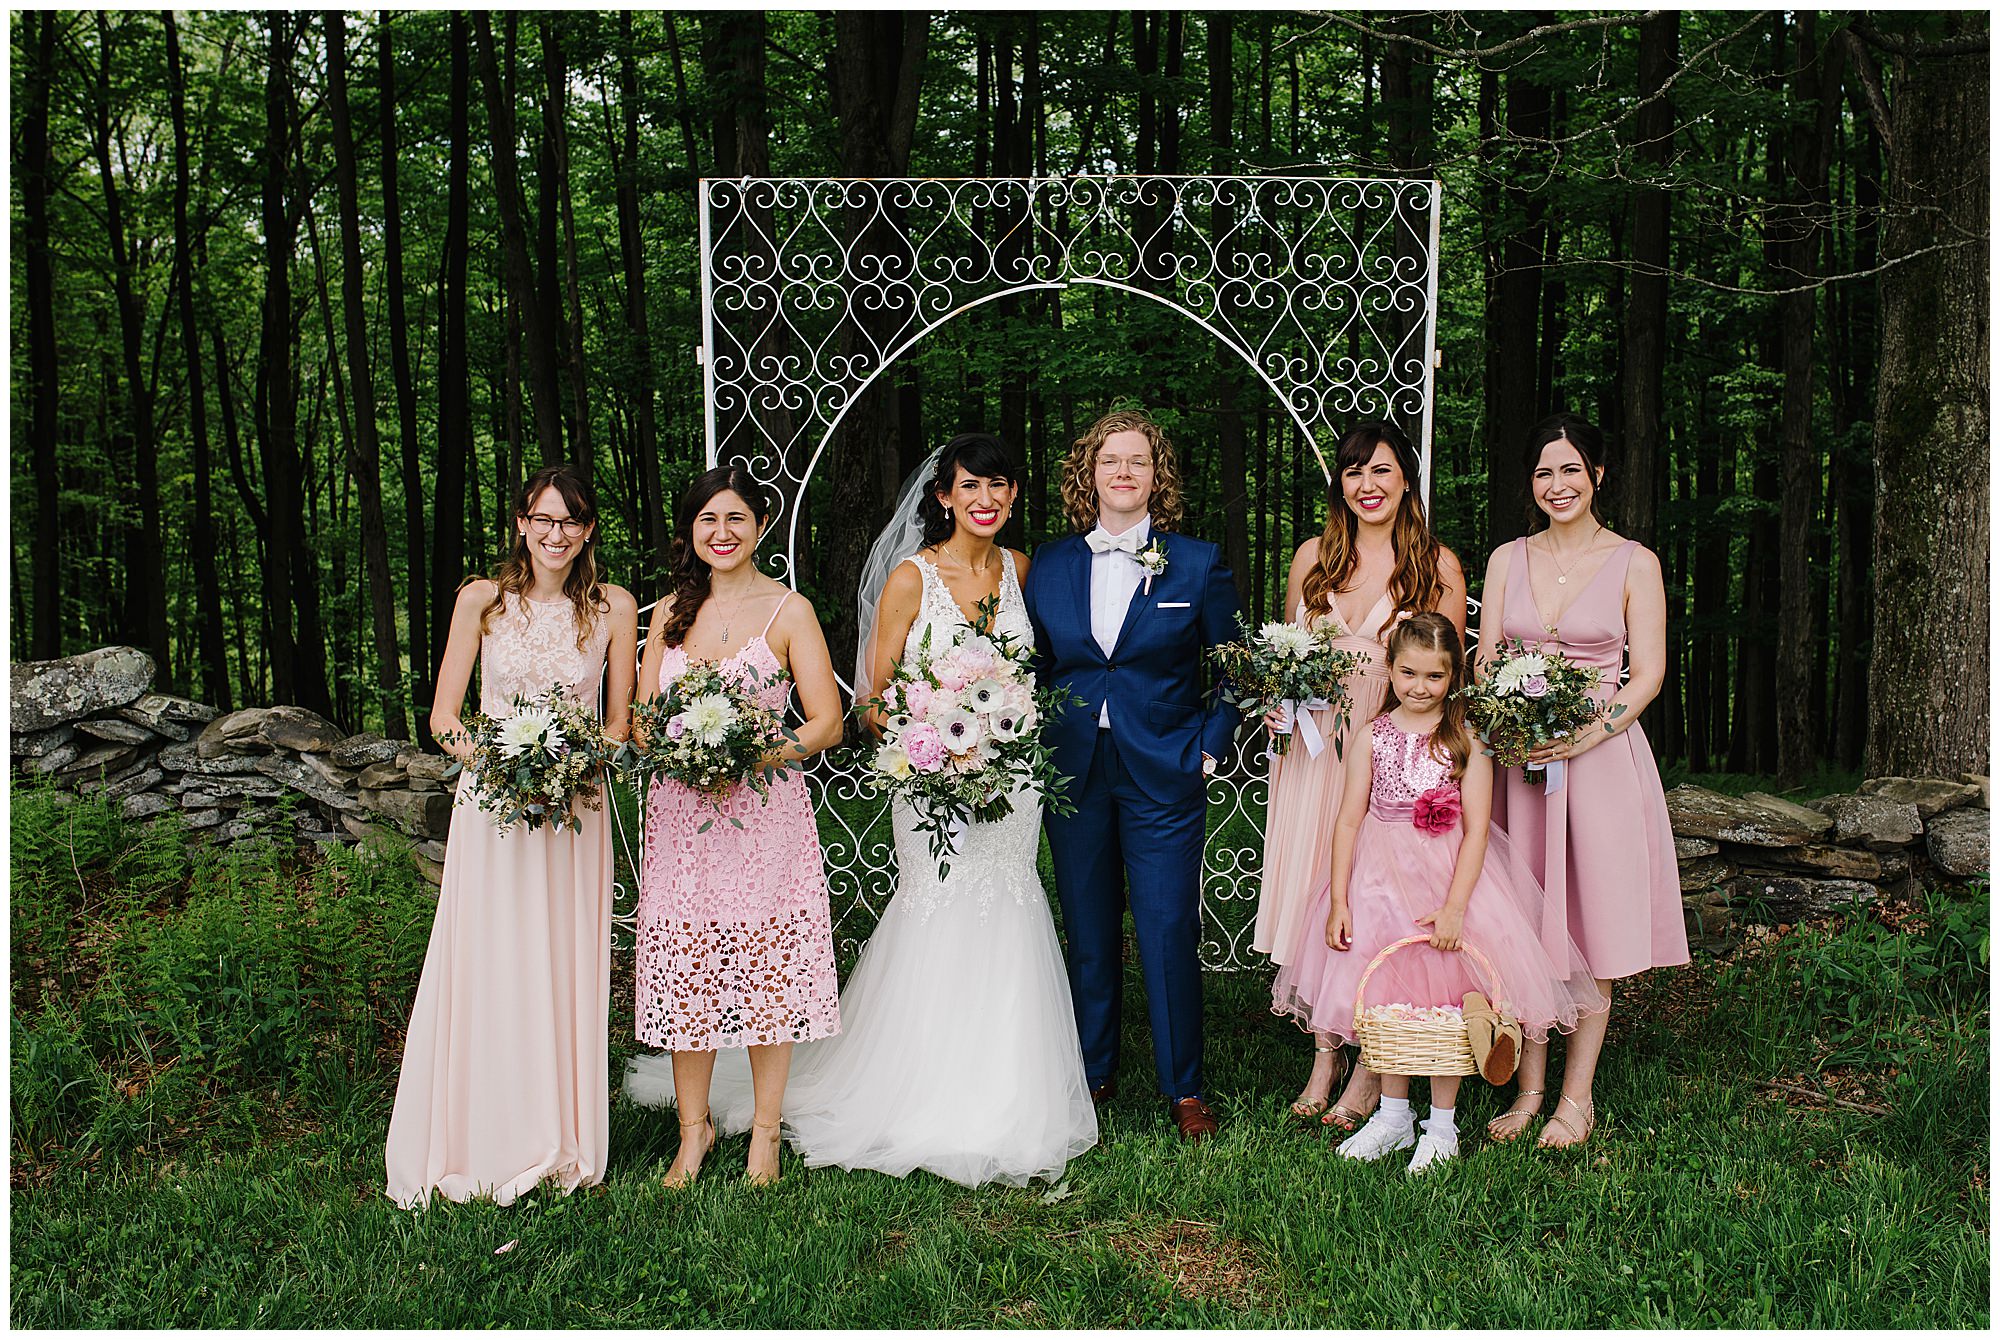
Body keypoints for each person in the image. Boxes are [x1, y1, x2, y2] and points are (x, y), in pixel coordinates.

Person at [632, 434, 1099, 1188]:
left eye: (998, 485)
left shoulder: (1022, 571)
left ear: (1013, 495)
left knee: (1011, 903)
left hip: (1006, 779)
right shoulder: (904, 581)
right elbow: (871, 701)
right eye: (968, 486)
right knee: (931, 906)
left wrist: (993, 739)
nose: (984, 498)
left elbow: (1048, 665)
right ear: (943, 496)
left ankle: (1006, 1093)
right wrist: (936, 745)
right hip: (916, 777)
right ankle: (739, 1122)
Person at [386, 463, 638, 1208]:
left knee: (559, 961)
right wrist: (504, 764)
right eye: (542, 519)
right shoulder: (482, 601)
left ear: (588, 530)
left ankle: (557, 1134)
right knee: (491, 958)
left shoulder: (614, 608)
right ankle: (477, 1134)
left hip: (573, 810)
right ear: (522, 525)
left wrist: (570, 764)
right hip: (494, 806)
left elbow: (618, 723)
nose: (556, 534)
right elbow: (444, 721)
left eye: (571, 521)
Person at [1276, 614, 1605, 1174]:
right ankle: (1394, 1114)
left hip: (1445, 885)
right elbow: (1349, 820)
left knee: (1443, 1002)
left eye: (1434, 675)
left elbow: (1477, 828)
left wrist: (1456, 906)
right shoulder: (1371, 736)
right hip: (1378, 883)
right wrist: (1339, 900)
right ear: (1392, 669)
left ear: (1452, 677)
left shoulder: (1465, 740)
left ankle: (1443, 1125)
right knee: (1386, 1000)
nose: (1419, 686)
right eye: (1408, 672)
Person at [1022, 408, 1241, 1141]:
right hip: (1075, 770)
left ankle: (1184, 1089)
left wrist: (1208, 748)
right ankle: (1093, 1070)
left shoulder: (1198, 562)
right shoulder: (1048, 564)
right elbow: (1039, 667)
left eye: (1138, 461)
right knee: (1088, 926)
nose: (1123, 472)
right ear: (1089, 472)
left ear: (1158, 475)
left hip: (1165, 767)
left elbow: (1233, 670)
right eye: (1110, 460)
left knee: (1167, 924)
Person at [627, 466, 845, 1187]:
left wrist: (753, 756)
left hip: (763, 818)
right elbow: (635, 720)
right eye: (707, 521)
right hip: (681, 818)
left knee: (766, 971)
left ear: (759, 527)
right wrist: (678, 754)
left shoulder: (790, 611)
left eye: (736, 520)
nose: (722, 534)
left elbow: (825, 722)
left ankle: (764, 1133)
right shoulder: (667, 614)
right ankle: (693, 1135)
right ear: (690, 532)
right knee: (686, 966)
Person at [1477, 412, 1688, 1149]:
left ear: (1598, 475)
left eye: (1571, 469)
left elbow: (1650, 673)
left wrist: (1586, 735)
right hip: (1520, 764)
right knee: (1526, 920)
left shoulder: (1635, 562)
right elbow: (1484, 661)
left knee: (1590, 922)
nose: (1557, 484)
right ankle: (1528, 1088)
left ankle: (1576, 1097)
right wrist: (1512, 727)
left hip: (1601, 760)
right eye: (1543, 472)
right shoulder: (1509, 558)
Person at [1258, 422, 1467, 1131]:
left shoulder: (1436, 566)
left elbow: (1448, 682)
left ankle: (1377, 1064)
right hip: (1315, 757)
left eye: (1381, 470)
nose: (1367, 486)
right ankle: (1325, 1053)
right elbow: (1287, 659)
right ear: (1339, 485)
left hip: (1390, 763)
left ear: (1406, 478)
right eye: (1353, 472)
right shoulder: (1313, 559)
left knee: (1384, 903)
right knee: (1321, 900)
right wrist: (1273, 703)